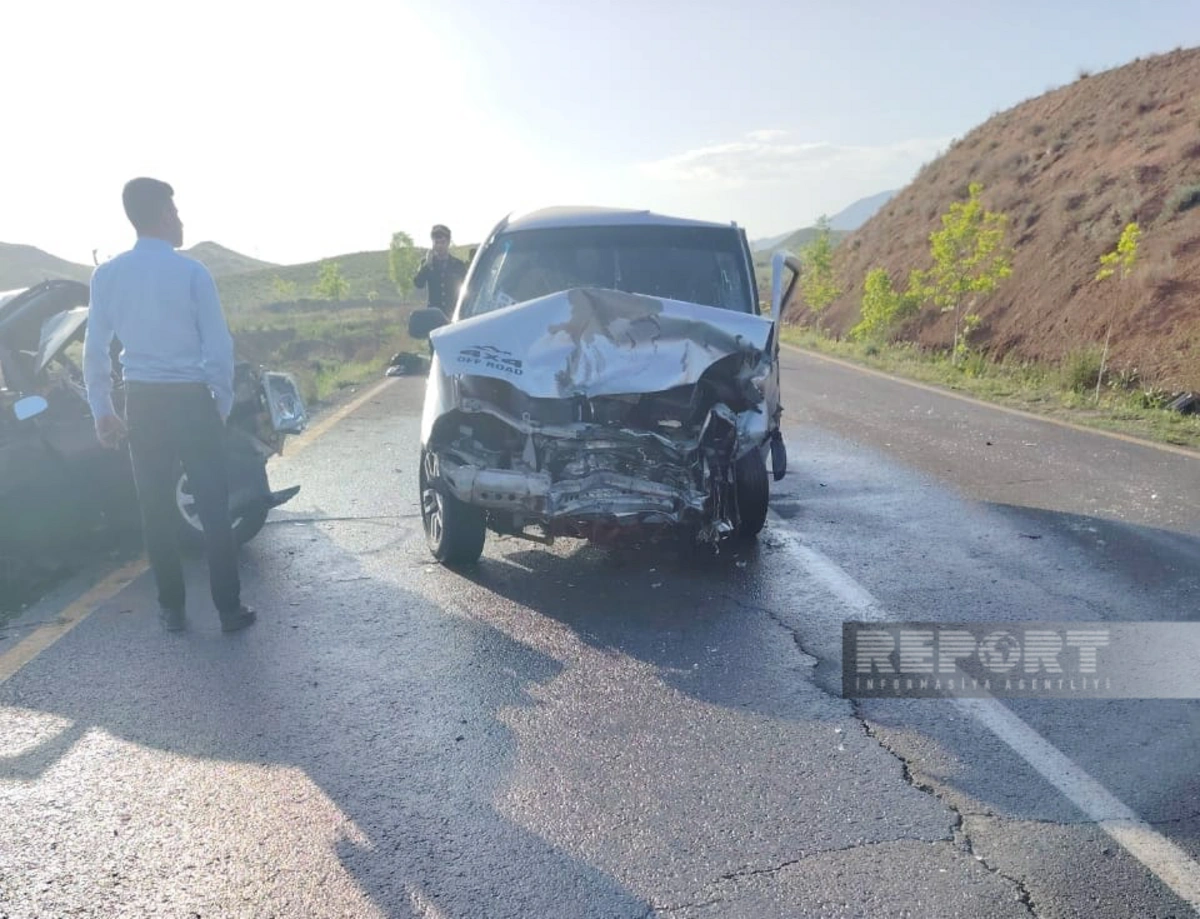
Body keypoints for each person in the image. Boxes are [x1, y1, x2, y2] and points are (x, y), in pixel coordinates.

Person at [83, 177, 255, 633]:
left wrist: (102, 408)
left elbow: (95, 349)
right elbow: (218, 346)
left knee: (155, 508)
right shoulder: (193, 273)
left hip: (142, 402)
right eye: (176, 212)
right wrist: (219, 404)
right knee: (214, 506)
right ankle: (229, 609)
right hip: (191, 399)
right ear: (162, 214)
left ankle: (172, 609)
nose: (180, 220)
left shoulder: (107, 276)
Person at [413, 224, 466, 312]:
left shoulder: (458, 265)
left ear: (448, 243)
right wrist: (426, 265)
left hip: (453, 312)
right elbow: (418, 284)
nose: (439, 246)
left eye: (442, 242)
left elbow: (467, 286)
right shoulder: (427, 264)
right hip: (434, 313)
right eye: (436, 243)